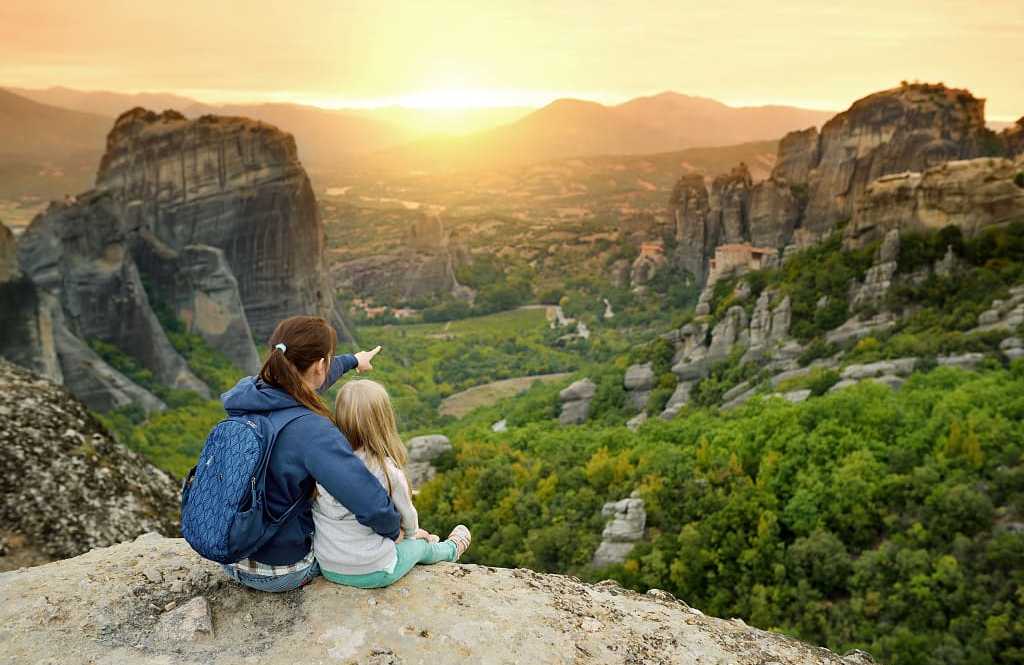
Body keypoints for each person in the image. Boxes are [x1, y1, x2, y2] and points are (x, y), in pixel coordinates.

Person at [220, 315, 399, 592]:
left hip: (229, 555)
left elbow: (301, 385)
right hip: (279, 571)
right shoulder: (312, 431)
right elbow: (370, 503)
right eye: (327, 361)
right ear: (319, 366)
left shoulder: (249, 394)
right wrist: (395, 532)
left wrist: (353, 360)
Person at [313, 379, 471, 588]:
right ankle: (451, 549)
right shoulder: (387, 470)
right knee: (422, 547)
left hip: (329, 565)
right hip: (373, 569)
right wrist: (413, 536)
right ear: (384, 422)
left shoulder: (324, 462)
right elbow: (408, 516)